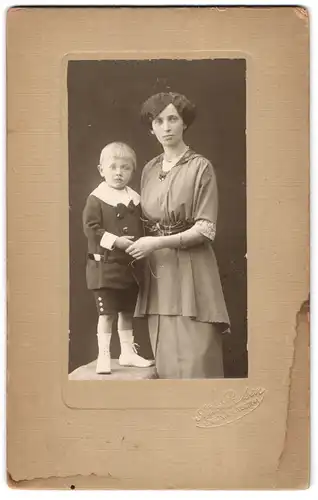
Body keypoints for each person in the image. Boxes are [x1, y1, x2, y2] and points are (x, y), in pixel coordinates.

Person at [126, 92, 230, 379]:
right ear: (151, 127)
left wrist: (157, 242)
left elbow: (206, 228)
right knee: (167, 362)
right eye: (159, 121)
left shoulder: (200, 167)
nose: (166, 127)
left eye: (173, 119)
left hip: (193, 274)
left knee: (197, 363)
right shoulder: (149, 169)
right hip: (158, 275)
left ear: (184, 124)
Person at [83, 142, 153, 374]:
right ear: (101, 169)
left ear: (132, 171)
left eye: (125, 168)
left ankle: (127, 353)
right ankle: (104, 354)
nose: (118, 172)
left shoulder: (135, 199)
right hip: (105, 269)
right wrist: (115, 241)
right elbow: (91, 229)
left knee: (126, 312)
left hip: (129, 269)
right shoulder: (97, 198)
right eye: (112, 167)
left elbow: (144, 227)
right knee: (107, 313)